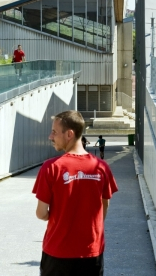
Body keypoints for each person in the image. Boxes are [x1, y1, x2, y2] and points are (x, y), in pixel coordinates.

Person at [33, 111, 118, 276]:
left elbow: (41, 212)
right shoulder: (101, 167)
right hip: (91, 252)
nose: (51, 136)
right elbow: (104, 206)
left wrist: (57, 217)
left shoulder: (51, 167)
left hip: (57, 252)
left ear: (69, 134)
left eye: (54, 132)